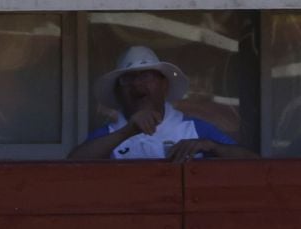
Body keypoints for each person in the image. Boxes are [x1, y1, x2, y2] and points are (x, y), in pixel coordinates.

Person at [69, 45, 256, 162]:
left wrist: (212, 147)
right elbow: (70, 166)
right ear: (118, 91)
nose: (137, 84)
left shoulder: (193, 129)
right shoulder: (109, 135)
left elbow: (253, 162)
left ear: (163, 84)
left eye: (146, 76)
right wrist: (128, 131)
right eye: (128, 79)